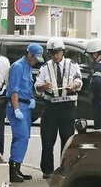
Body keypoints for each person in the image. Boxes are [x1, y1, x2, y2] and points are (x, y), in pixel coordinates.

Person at [35, 37, 82, 179]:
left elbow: (79, 80)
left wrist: (73, 85)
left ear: (63, 51)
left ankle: (65, 168)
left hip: (67, 106)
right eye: (52, 53)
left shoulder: (72, 65)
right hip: (51, 106)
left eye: (57, 52)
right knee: (47, 139)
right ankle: (47, 170)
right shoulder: (45, 67)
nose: (55, 56)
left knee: (67, 139)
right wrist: (44, 86)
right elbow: (37, 86)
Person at [5, 43, 44, 182]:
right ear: (29, 54)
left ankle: (17, 167)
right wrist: (16, 109)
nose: (36, 61)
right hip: (18, 104)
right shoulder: (18, 67)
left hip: (26, 105)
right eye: (35, 58)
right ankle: (13, 169)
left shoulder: (28, 67)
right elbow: (14, 90)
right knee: (21, 136)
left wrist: (32, 98)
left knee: (24, 138)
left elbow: (27, 87)